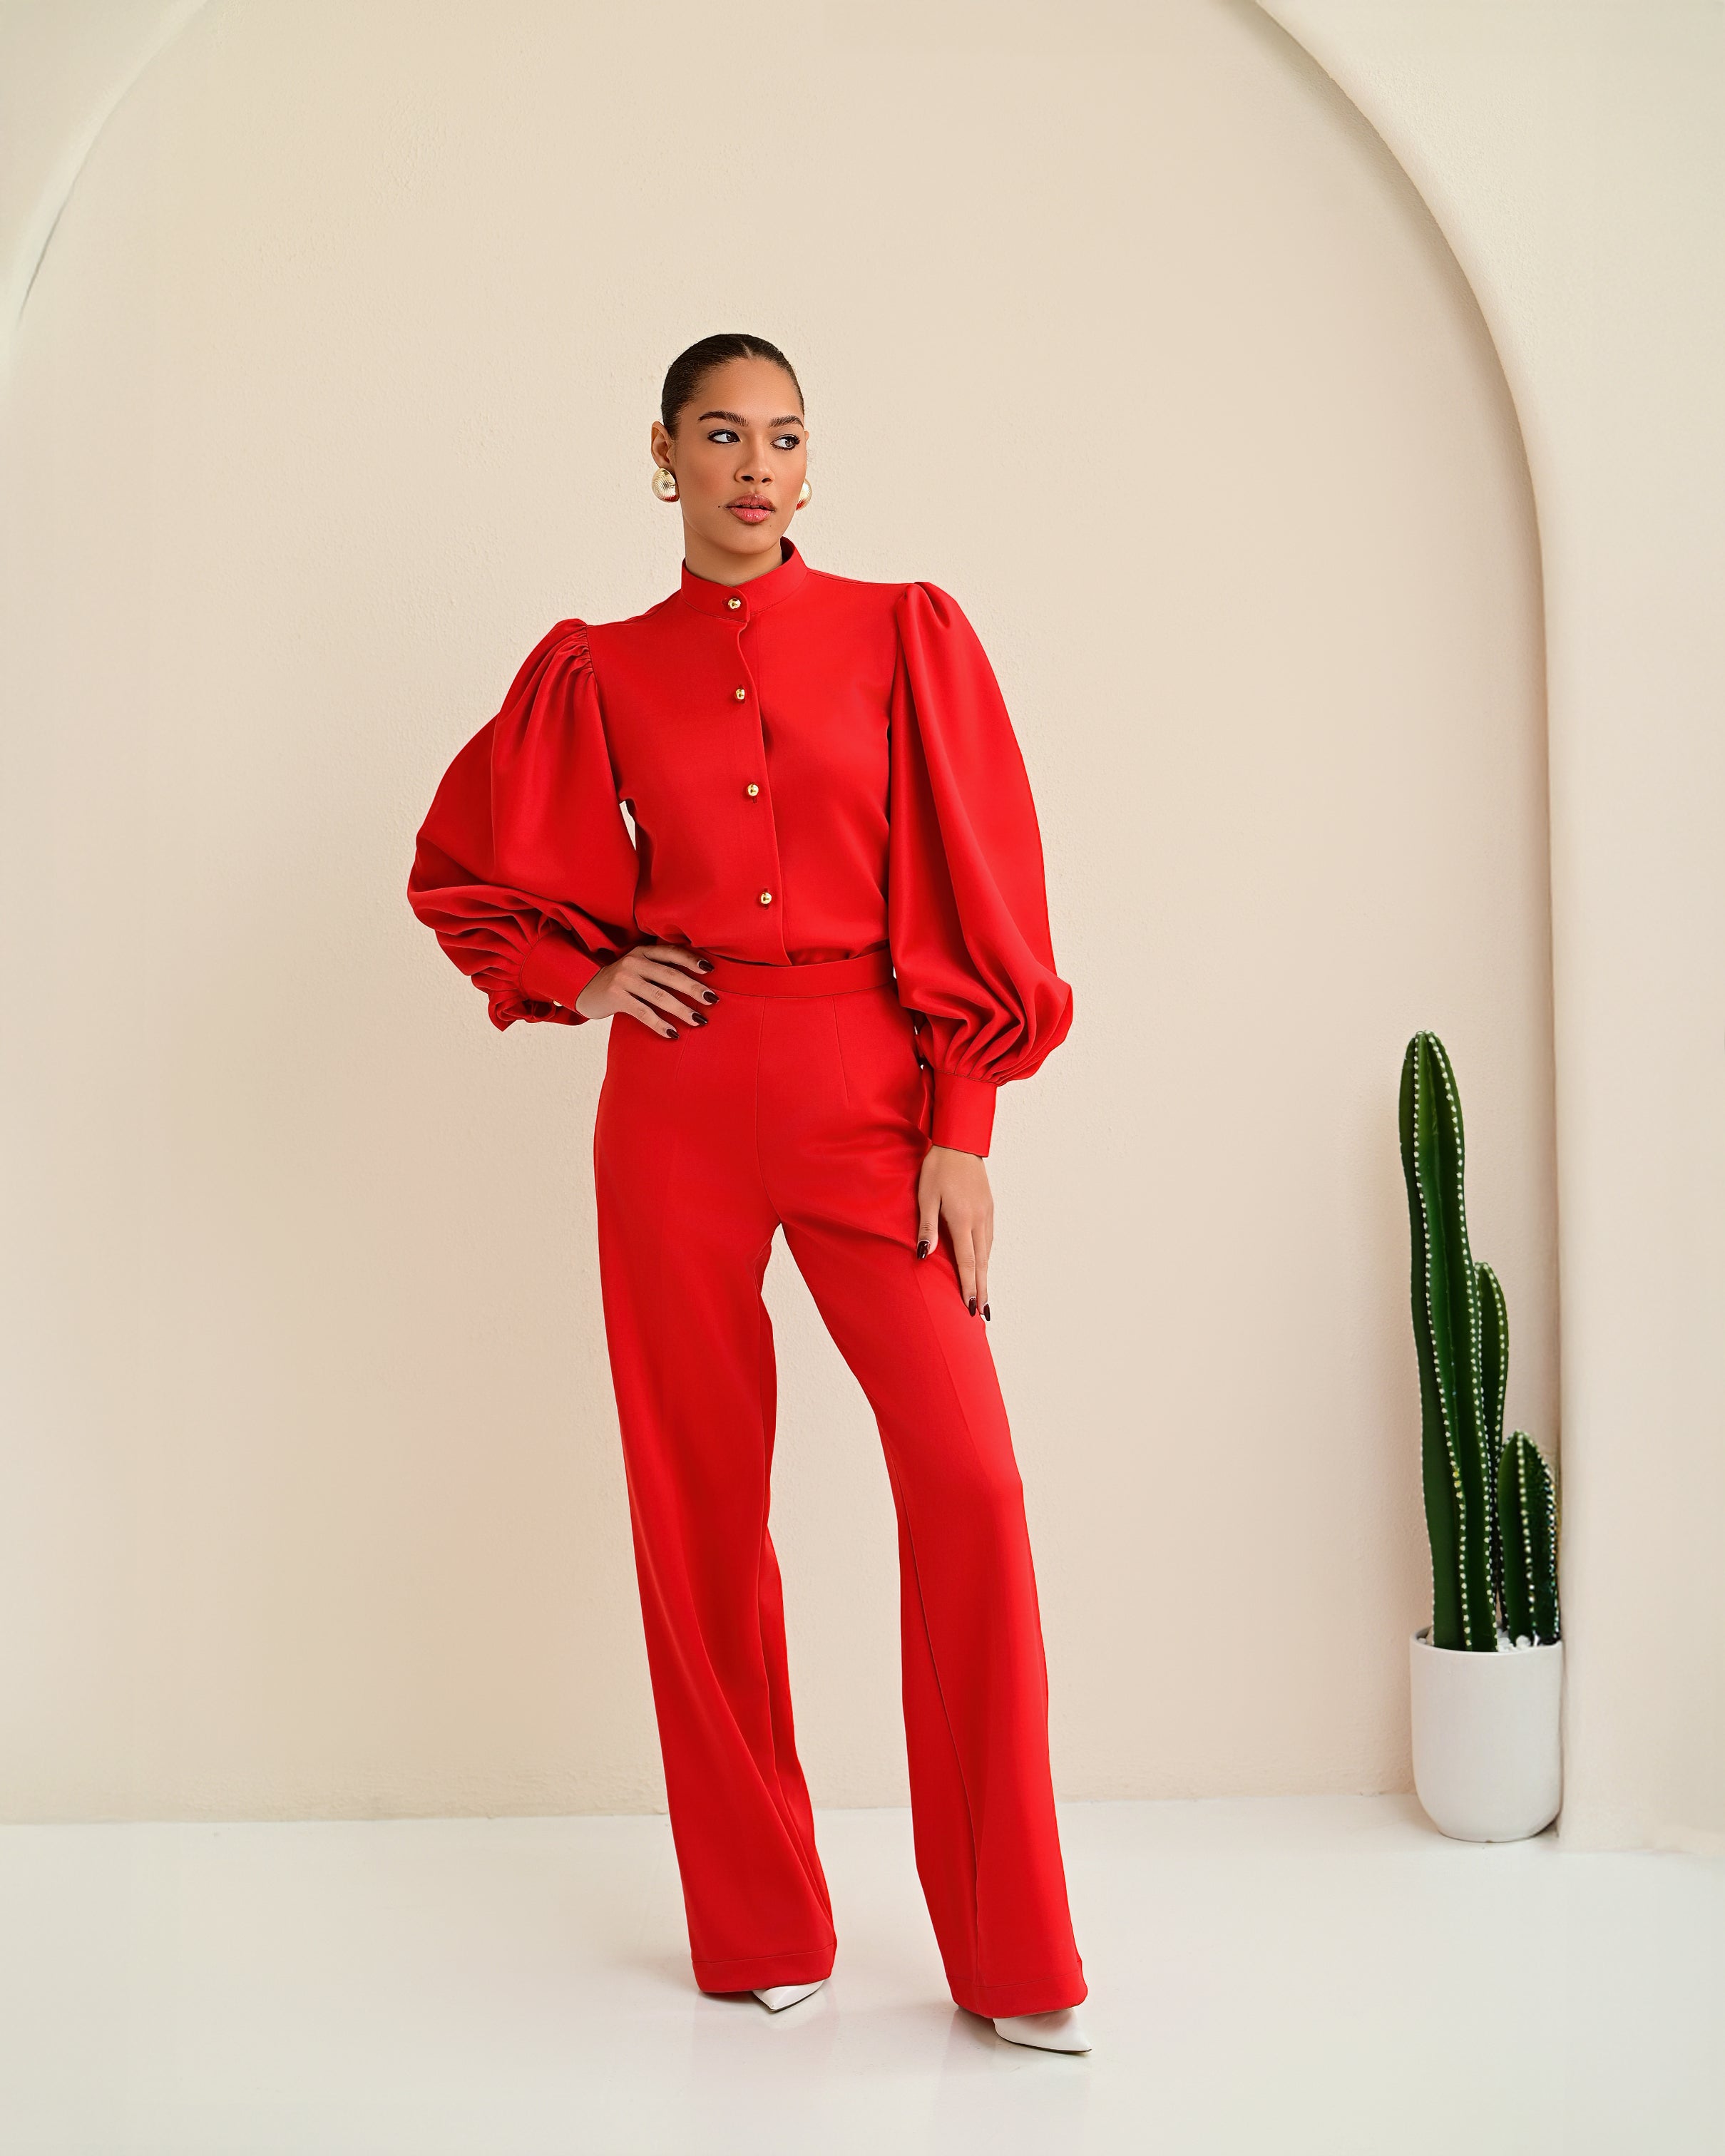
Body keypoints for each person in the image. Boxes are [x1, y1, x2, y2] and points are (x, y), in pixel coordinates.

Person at [405, 333, 1090, 2054]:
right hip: (681, 1105)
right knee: (698, 1508)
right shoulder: (597, 668)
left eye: (783, 438)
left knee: (972, 1486)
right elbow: (465, 868)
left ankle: (1014, 1956)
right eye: (722, 436)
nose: (756, 468)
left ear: (809, 461)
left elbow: (981, 880)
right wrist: (582, 979)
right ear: (664, 454)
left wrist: (961, 1125)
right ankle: (761, 1920)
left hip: (873, 1095)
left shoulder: (902, 634)